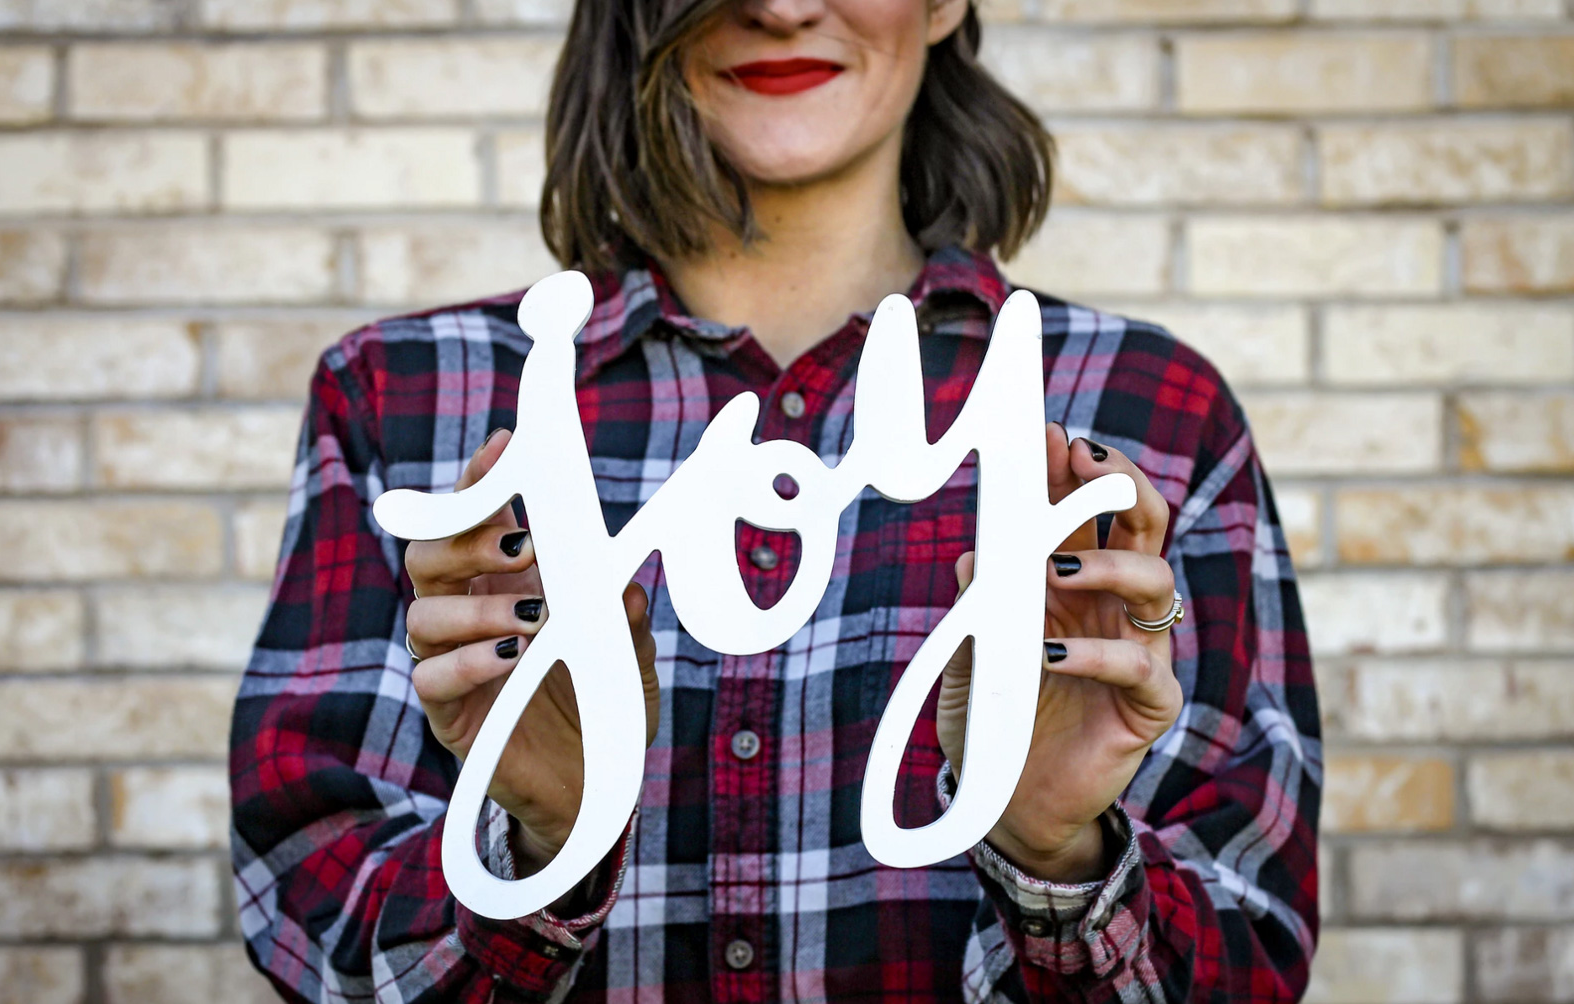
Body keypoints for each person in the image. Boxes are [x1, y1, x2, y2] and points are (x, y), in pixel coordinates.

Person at [229, 0, 1321, 1000]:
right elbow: (315, 927)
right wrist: (542, 841)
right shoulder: (413, 400)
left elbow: (1245, 953)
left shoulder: (1145, 415)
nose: (784, 5)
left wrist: (1058, 854)